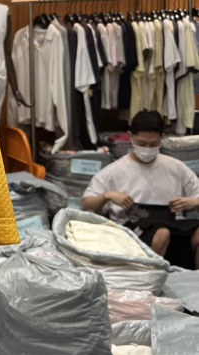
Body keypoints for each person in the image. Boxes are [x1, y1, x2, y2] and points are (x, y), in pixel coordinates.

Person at [81, 110, 199, 263]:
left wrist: (194, 202)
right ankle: (149, 273)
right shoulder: (113, 172)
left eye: (153, 144)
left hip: (173, 225)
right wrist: (106, 196)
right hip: (132, 230)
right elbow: (86, 205)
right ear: (130, 136)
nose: (147, 149)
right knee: (161, 233)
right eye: (142, 144)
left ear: (162, 138)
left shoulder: (176, 167)